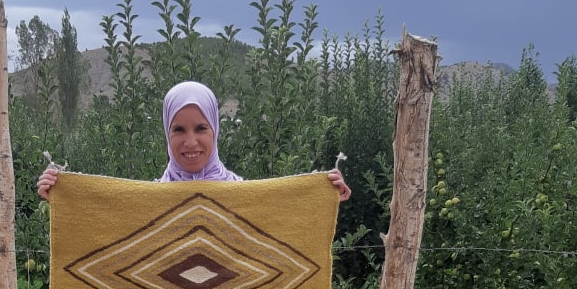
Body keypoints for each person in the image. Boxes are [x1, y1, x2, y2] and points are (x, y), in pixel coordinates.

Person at [36, 80, 351, 201]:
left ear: (215, 129)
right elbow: (102, 228)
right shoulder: (148, 201)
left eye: (201, 128)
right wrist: (63, 198)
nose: (190, 142)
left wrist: (322, 199)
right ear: (166, 133)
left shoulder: (242, 196)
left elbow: (283, 227)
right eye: (178, 130)